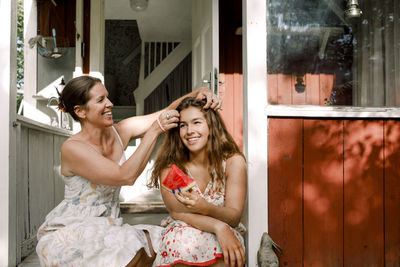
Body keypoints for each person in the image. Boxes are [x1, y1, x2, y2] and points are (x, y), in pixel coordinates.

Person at [36, 76, 222, 267]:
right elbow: (125, 176)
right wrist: (153, 131)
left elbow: (167, 113)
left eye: (107, 97)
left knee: (166, 244)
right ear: (80, 111)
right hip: (75, 229)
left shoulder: (120, 130)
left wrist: (197, 93)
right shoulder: (73, 148)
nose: (110, 104)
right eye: (100, 100)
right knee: (130, 248)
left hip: (109, 225)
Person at [148, 97, 247, 267]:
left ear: (211, 126)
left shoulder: (232, 162)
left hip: (225, 233)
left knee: (223, 249)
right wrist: (218, 226)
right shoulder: (171, 168)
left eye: (196, 122)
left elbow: (234, 217)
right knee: (180, 242)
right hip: (184, 231)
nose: (189, 131)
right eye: (183, 125)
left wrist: (206, 209)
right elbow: (178, 214)